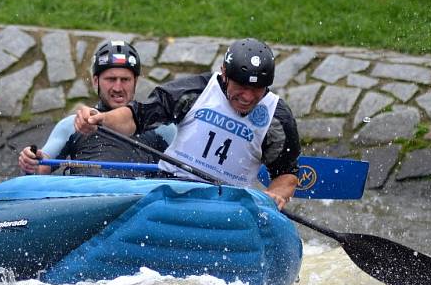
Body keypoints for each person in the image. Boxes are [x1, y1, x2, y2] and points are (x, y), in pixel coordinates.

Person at [74, 38, 300, 209]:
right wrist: (102, 119)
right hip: (173, 191)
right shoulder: (193, 92)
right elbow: (136, 117)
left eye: (256, 90)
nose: (248, 97)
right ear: (224, 74)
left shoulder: (278, 119)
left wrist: (275, 195)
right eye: (241, 86)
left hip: (228, 204)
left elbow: (287, 173)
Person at [18, 40, 175, 176]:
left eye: (125, 79)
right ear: (95, 81)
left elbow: (187, 170)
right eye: (111, 79)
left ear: (135, 82)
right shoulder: (72, 126)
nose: (118, 87)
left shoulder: (161, 128)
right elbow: (42, 167)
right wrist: (32, 162)